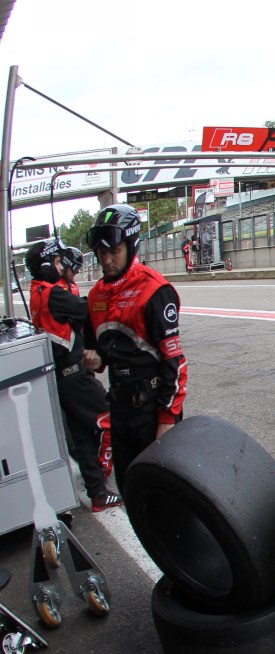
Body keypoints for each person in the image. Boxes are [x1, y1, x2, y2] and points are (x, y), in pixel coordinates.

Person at [84, 204, 187, 491]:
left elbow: (175, 362)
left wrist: (167, 420)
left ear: (131, 245)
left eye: (113, 251)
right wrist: (95, 360)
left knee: (166, 490)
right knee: (131, 487)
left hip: (152, 408)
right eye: (101, 253)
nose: (106, 260)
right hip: (119, 406)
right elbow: (99, 353)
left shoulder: (154, 290)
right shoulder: (94, 297)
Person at [25, 239, 119, 512]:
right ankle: (103, 472)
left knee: (80, 436)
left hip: (62, 378)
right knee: (109, 421)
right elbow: (88, 308)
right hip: (74, 375)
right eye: (58, 261)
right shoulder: (54, 294)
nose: (63, 265)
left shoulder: (39, 291)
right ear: (47, 265)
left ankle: (98, 493)